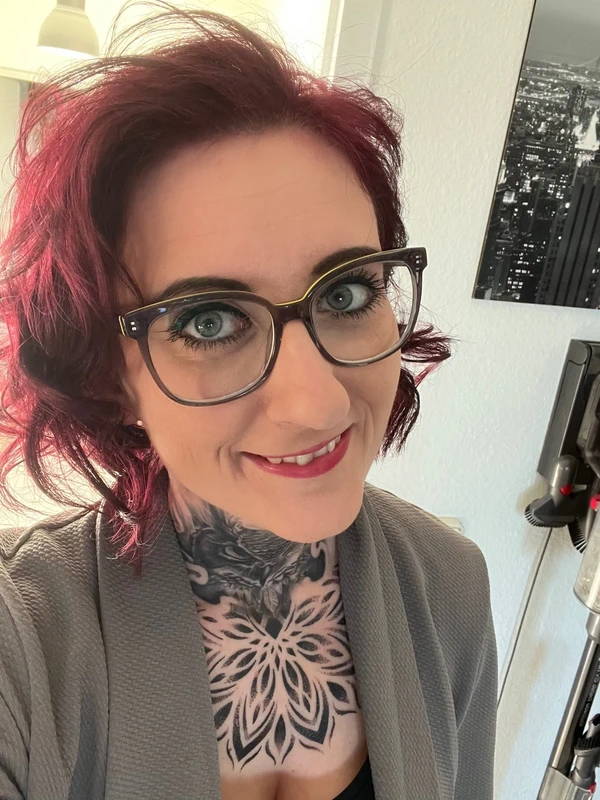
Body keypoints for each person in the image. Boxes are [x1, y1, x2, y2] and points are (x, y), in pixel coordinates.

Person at [0, 3, 497, 799]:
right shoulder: (23, 639)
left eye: (347, 292)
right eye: (209, 321)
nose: (316, 402)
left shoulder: (450, 590)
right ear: (106, 375)